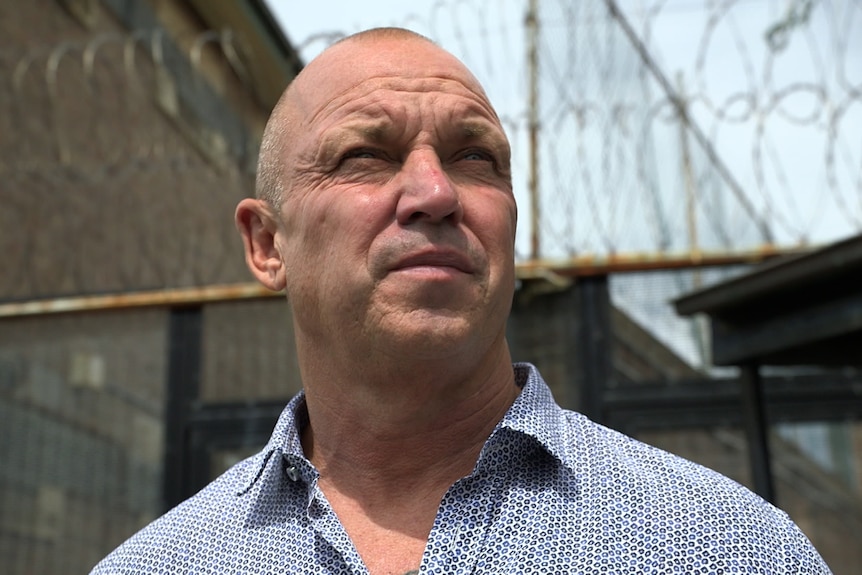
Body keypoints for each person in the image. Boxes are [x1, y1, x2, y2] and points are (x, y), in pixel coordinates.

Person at [91, 27, 831, 574]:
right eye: (364, 155)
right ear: (267, 244)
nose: (436, 193)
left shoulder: (728, 547)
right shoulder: (161, 564)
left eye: (474, 157)